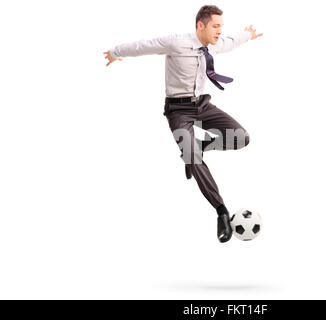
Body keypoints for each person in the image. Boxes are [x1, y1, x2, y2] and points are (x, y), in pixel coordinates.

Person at [103, 5, 263, 243]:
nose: (220, 31)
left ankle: (202, 145)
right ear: (201, 25)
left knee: (241, 137)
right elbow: (142, 46)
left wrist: (247, 34)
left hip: (202, 105)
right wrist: (115, 52)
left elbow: (231, 42)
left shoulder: (213, 44)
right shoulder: (176, 43)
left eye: (221, 26)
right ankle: (220, 210)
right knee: (192, 156)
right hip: (178, 111)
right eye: (215, 26)